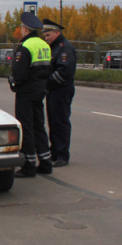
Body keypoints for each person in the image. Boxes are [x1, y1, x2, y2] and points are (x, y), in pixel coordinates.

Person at [9, 12, 52, 177]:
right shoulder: (44, 45)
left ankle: (29, 165)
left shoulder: (25, 47)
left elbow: (19, 74)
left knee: (26, 127)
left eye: (21, 27)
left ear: (25, 29)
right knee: (39, 126)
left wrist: (13, 81)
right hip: (40, 90)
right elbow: (48, 69)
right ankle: (46, 162)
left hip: (25, 92)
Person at [43, 18, 77, 168]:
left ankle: (62, 154)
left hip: (61, 90)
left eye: (48, 34)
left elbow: (63, 72)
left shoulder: (64, 48)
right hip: (53, 90)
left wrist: (46, 82)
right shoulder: (54, 47)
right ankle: (55, 151)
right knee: (53, 122)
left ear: (57, 33)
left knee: (60, 122)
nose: (46, 38)